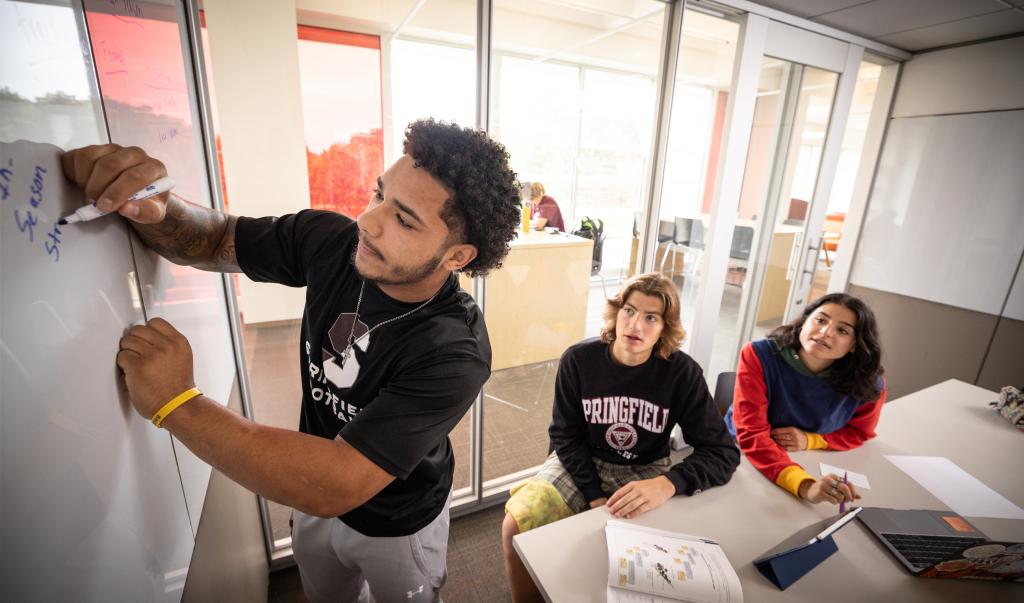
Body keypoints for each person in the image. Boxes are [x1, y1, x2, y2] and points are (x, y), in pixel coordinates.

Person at [60, 119, 521, 603]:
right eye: (377, 194)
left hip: (398, 522)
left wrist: (177, 403)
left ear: (457, 256)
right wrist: (155, 208)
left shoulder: (454, 350)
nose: (368, 220)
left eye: (404, 220)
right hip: (309, 499)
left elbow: (339, 480)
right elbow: (217, 239)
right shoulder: (334, 241)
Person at [500, 273, 740, 602]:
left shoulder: (682, 373)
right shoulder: (579, 360)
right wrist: (593, 494)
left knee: (643, 562)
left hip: (647, 470)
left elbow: (722, 452)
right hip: (582, 460)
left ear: (665, 327)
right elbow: (564, 435)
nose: (635, 325)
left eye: (651, 317)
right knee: (515, 526)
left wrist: (670, 483)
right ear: (617, 313)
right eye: (629, 311)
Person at [725, 293, 886, 506]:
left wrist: (810, 440)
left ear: (854, 345)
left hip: (810, 457)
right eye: (821, 320)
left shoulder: (867, 381)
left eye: (842, 330)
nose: (825, 332)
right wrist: (806, 486)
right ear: (804, 322)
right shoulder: (758, 355)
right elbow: (751, 433)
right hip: (742, 455)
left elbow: (859, 431)